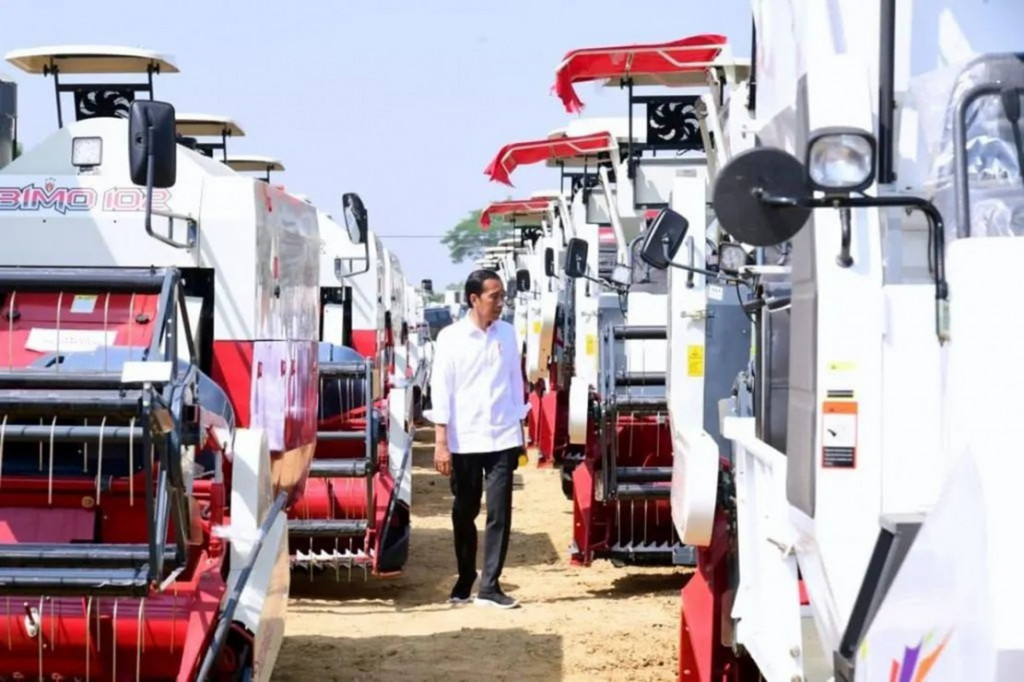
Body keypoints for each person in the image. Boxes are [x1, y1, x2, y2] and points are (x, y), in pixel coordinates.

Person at [429, 269, 527, 609]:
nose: (501, 303)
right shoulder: (451, 339)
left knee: (500, 512)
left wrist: (520, 430)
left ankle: (490, 586)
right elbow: (441, 391)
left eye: (502, 296)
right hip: (464, 439)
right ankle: (465, 577)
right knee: (464, 511)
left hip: (502, 436)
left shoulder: (509, 334)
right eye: (494, 297)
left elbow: (517, 383)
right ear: (474, 299)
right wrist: (441, 440)